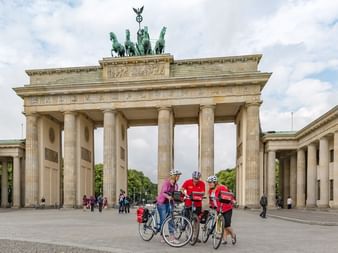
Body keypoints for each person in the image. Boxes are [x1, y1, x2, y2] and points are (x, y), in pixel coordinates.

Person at [207, 175, 236, 245]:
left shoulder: (222, 187)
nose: (209, 184)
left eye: (211, 182)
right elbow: (211, 199)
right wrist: (211, 205)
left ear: (215, 182)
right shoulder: (210, 190)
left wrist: (234, 201)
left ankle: (233, 234)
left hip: (226, 208)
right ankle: (224, 239)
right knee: (220, 224)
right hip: (218, 209)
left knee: (227, 225)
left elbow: (229, 195)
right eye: (209, 182)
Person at [156, 169, 182, 243]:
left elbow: (175, 194)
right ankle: (162, 236)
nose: (178, 177)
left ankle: (172, 237)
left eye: (179, 176)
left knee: (171, 219)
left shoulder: (176, 185)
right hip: (162, 203)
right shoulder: (166, 183)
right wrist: (168, 197)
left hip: (170, 203)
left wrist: (179, 199)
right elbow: (163, 192)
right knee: (163, 219)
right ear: (173, 176)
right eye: (177, 176)